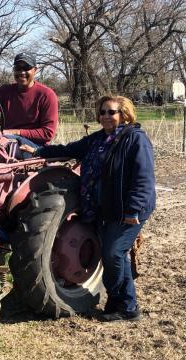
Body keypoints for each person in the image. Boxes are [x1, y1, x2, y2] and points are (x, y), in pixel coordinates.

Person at [21, 95, 156, 322]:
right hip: (106, 208)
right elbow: (69, 149)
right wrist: (38, 152)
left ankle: (127, 305)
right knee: (115, 255)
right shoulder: (98, 139)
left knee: (113, 253)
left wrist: (134, 210)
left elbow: (143, 178)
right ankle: (121, 304)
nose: (105, 116)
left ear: (124, 114)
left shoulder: (135, 139)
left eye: (111, 112)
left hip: (128, 210)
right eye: (102, 112)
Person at [0, 52, 59, 157]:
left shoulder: (47, 95)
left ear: (35, 70)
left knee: (0, 146)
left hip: (34, 146)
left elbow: (47, 133)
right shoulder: (5, 90)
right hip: (4, 137)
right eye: (18, 68)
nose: (22, 72)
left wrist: (16, 132)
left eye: (26, 68)